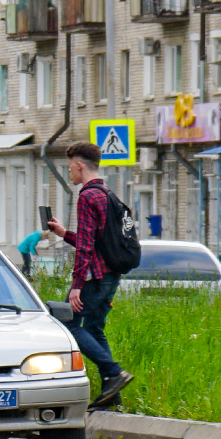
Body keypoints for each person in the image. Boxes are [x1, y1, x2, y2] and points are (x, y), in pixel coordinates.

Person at [46, 141, 133, 410]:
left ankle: (114, 371)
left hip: (94, 277)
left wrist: (76, 286)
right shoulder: (107, 194)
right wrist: (64, 234)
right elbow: (94, 241)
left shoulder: (86, 196)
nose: (69, 172)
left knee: (67, 323)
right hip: (111, 275)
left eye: (70, 166)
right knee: (94, 328)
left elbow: (85, 248)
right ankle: (112, 393)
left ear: (80, 165)